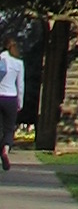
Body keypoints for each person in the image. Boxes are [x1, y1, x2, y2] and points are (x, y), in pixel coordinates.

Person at [0, 39, 21, 172]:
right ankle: (5, 150)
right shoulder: (18, 63)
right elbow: (21, 85)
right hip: (11, 97)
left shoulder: (1, 59)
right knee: (9, 128)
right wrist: (20, 102)